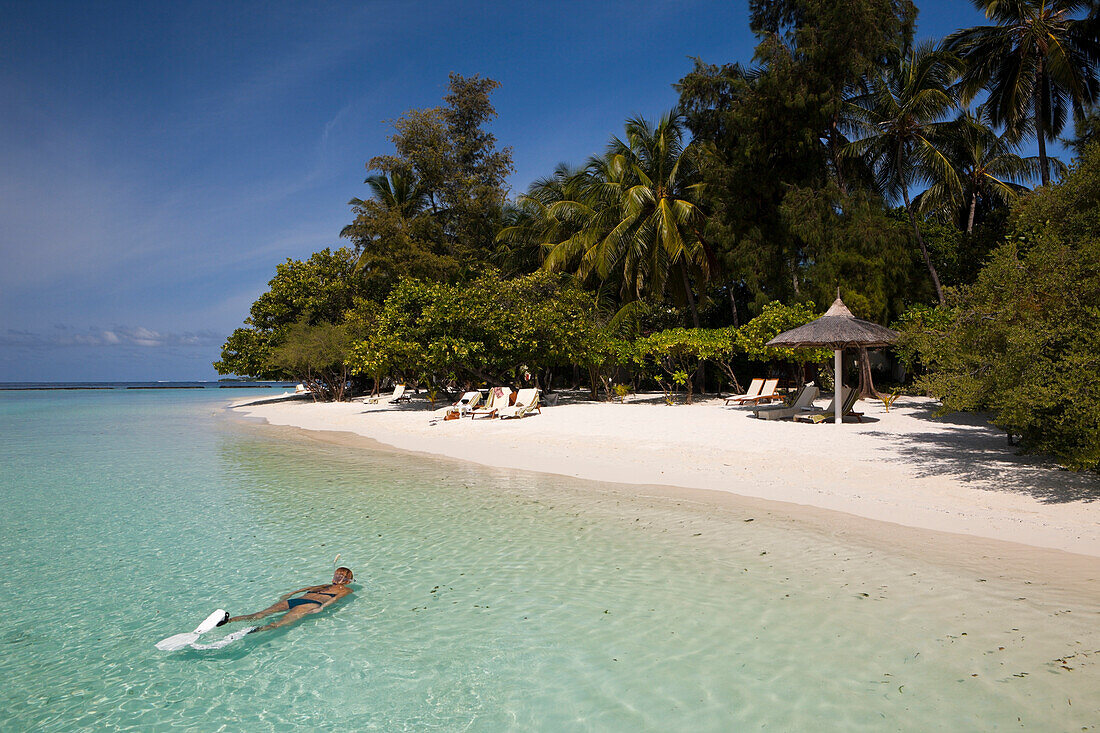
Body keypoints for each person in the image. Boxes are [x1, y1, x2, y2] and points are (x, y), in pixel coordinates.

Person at [222, 566, 354, 633]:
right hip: (311, 605)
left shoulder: (326, 585)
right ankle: (253, 631)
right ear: (348, 581)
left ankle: (228, 621)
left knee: (258, 614)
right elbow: (335, 599)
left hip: (297, 599)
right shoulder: (347, 590)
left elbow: (307, 588)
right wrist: (322, 607)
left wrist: (291, 593)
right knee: (278, 624)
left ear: (335, 577)